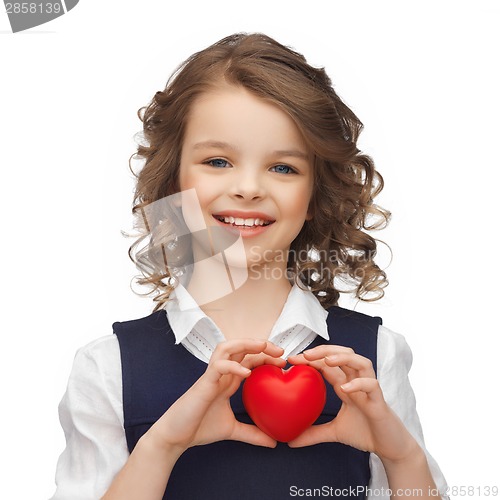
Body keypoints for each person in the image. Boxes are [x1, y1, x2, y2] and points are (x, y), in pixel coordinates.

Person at [51, 33, 449, 499]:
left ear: (315, 197)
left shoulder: (375, 357)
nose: (247, 188)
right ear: (171, 180)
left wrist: (402, 457)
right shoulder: (107, 368)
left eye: (283, 168)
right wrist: (162, 445)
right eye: (217, 161)